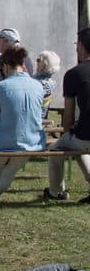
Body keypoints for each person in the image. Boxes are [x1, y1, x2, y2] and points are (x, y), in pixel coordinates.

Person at [0, 46, 45, 201]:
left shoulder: (0, 87)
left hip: (4, 140)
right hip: (33, 140)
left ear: (6, 66)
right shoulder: (38, 85)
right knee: (10, 171)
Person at [44, 28, 90, 202]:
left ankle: (56, 192)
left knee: (57, 149)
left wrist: (66, 132)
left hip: (84, 135)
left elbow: (68, 115)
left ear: (82, 47)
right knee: (76, 145)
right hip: (84, 135)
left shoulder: (74, 74)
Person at [33, 50, 60, 119]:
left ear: (45, 64)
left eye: (38, 60)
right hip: (42, 117)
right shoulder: (52, 83)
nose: (36, 62)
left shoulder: (38, 83)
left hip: (34, 118)